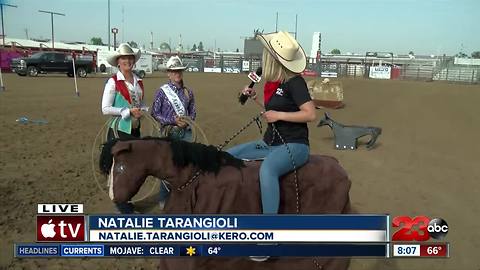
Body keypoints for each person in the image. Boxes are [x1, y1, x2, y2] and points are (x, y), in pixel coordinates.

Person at [227, 31, 316, 216]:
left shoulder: (296, 82)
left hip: (295, 145)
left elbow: (310, 114)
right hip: (269, 143)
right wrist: (256, 98)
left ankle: (270, 226)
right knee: (226, 156)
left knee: (267, 170)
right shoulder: (274, 83)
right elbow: (274, 111)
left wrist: (280, 115)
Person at [101, 43, 145, 213]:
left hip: (134, 129)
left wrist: (143, 110)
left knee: (132, 166)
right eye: (124, 58)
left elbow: (141, 103)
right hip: (119, 129)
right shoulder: (112, 82)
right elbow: (105, 108)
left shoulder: (138, 81)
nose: (127, 61)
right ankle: (121, 203)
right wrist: (125, 111)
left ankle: (126, 199)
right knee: (120, 167)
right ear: (118, 62)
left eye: (130, 58)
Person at [151, 56, 196, 141]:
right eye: (174, 71)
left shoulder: (188, 92)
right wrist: (172, 121)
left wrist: (186, 122)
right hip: (168, 134)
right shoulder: (161, 92)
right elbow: (155, 113)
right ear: (168, 73)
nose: (177, 73)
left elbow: (193, 113)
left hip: (186, 133)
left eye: (179, 70)